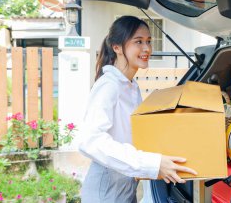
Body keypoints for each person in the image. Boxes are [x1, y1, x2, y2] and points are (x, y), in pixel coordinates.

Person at [79, 16, 197, 203]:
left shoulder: (130, 86)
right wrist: (152, 164)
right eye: (138, 42)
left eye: (149, 41)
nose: (147, 49)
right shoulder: (109, 86)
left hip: (126, 184)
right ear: (117, 47)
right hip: (106, 190)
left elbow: (134, 134)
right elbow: (90, 141)